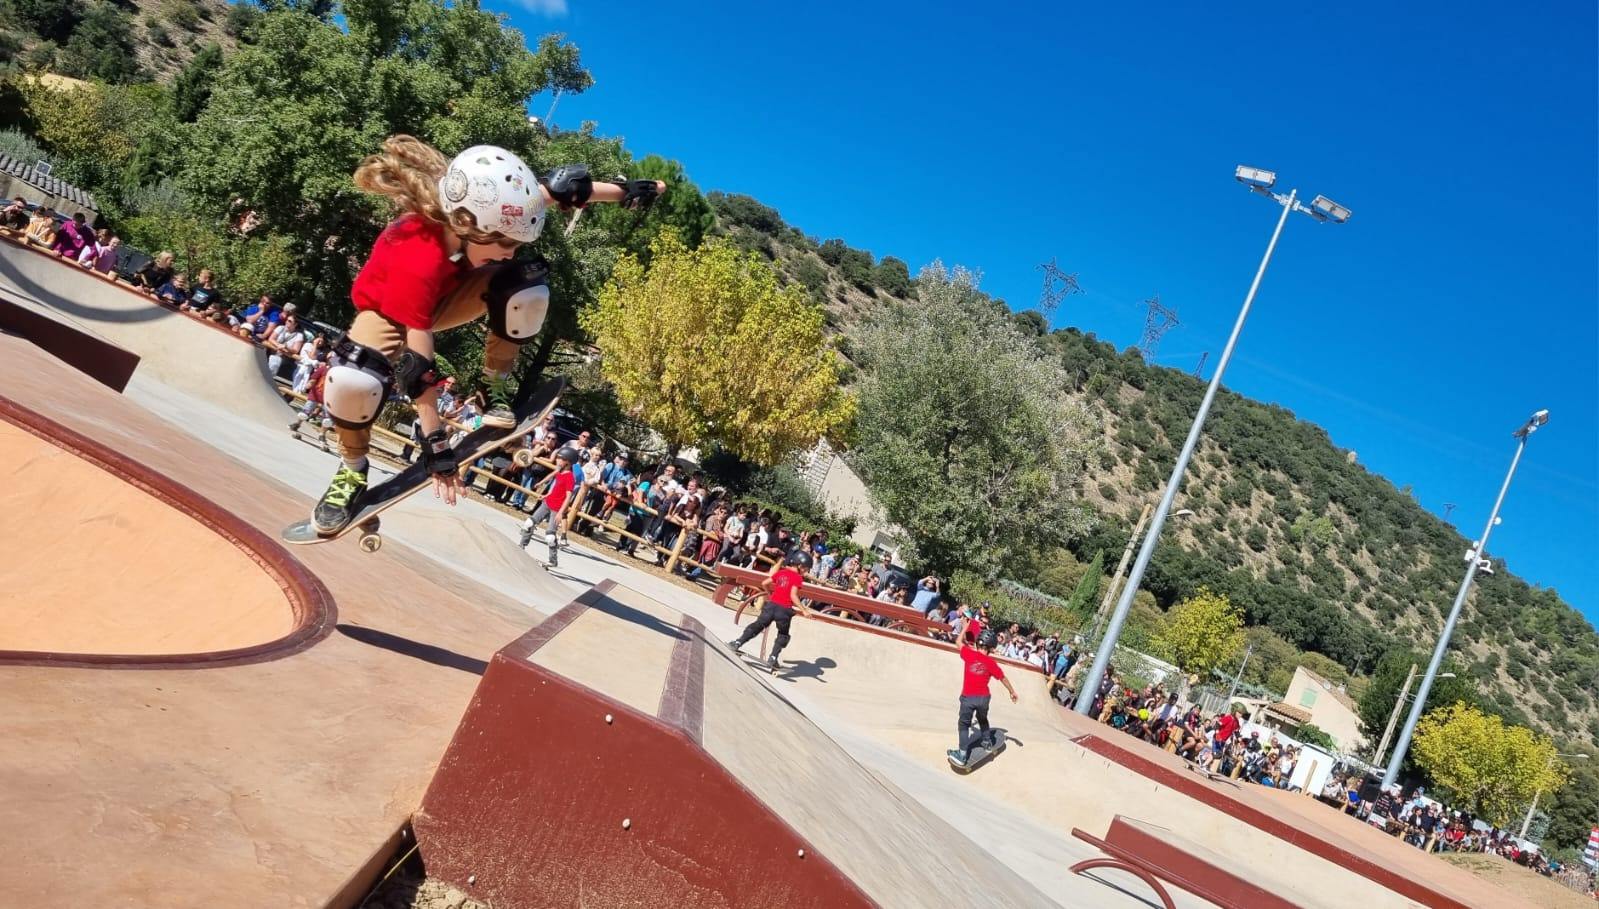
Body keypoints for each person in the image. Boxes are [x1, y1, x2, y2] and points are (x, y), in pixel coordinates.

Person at [306, 135, 663, 535]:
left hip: (450, 296)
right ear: (468, 225)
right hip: (389, 311)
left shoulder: (485, 211)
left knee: (524, 283)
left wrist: (626, 192)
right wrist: (436, 444)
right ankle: (352, 471)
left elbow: (564, 191)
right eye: (505, 242)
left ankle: (493, 385)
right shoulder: (415, 253)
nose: (509, 250)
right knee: (355, 378)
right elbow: (417, 367)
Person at [727, 550, 811, 671]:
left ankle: (737, 643)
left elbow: (764, 583)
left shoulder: (781, 573)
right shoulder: (797, 578)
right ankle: (773, 657)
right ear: (800, 565)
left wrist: (769, 594)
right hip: (784, 610)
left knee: (757, 625)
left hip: (771, 606)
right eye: (806, 569)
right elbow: (793, 595)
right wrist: (804, 610)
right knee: (783, 634)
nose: (806, 572)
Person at [948, 629, 1019, 768]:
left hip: (968, 698)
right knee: (982, 719)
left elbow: (957, 642)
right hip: (984, 699)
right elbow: (1003, 678)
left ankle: (962, 756)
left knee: (964, 725)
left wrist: (964, 627)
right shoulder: (991, 663)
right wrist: (1012, 692)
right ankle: (987, 742)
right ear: (992, 648)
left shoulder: (969, 653)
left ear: (977, 643)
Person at [517, 447, 578, 567]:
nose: (557, 460)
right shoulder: (560, 471)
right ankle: (522, 545)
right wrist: (546, 493)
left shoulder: (570, 477)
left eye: (560, 459)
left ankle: (553, 560)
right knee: (529, 523)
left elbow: (568, 497)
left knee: (550, 536)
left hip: (557, 509)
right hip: (547, 502)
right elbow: (555, 487)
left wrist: (561, 512)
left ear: (568, 462)